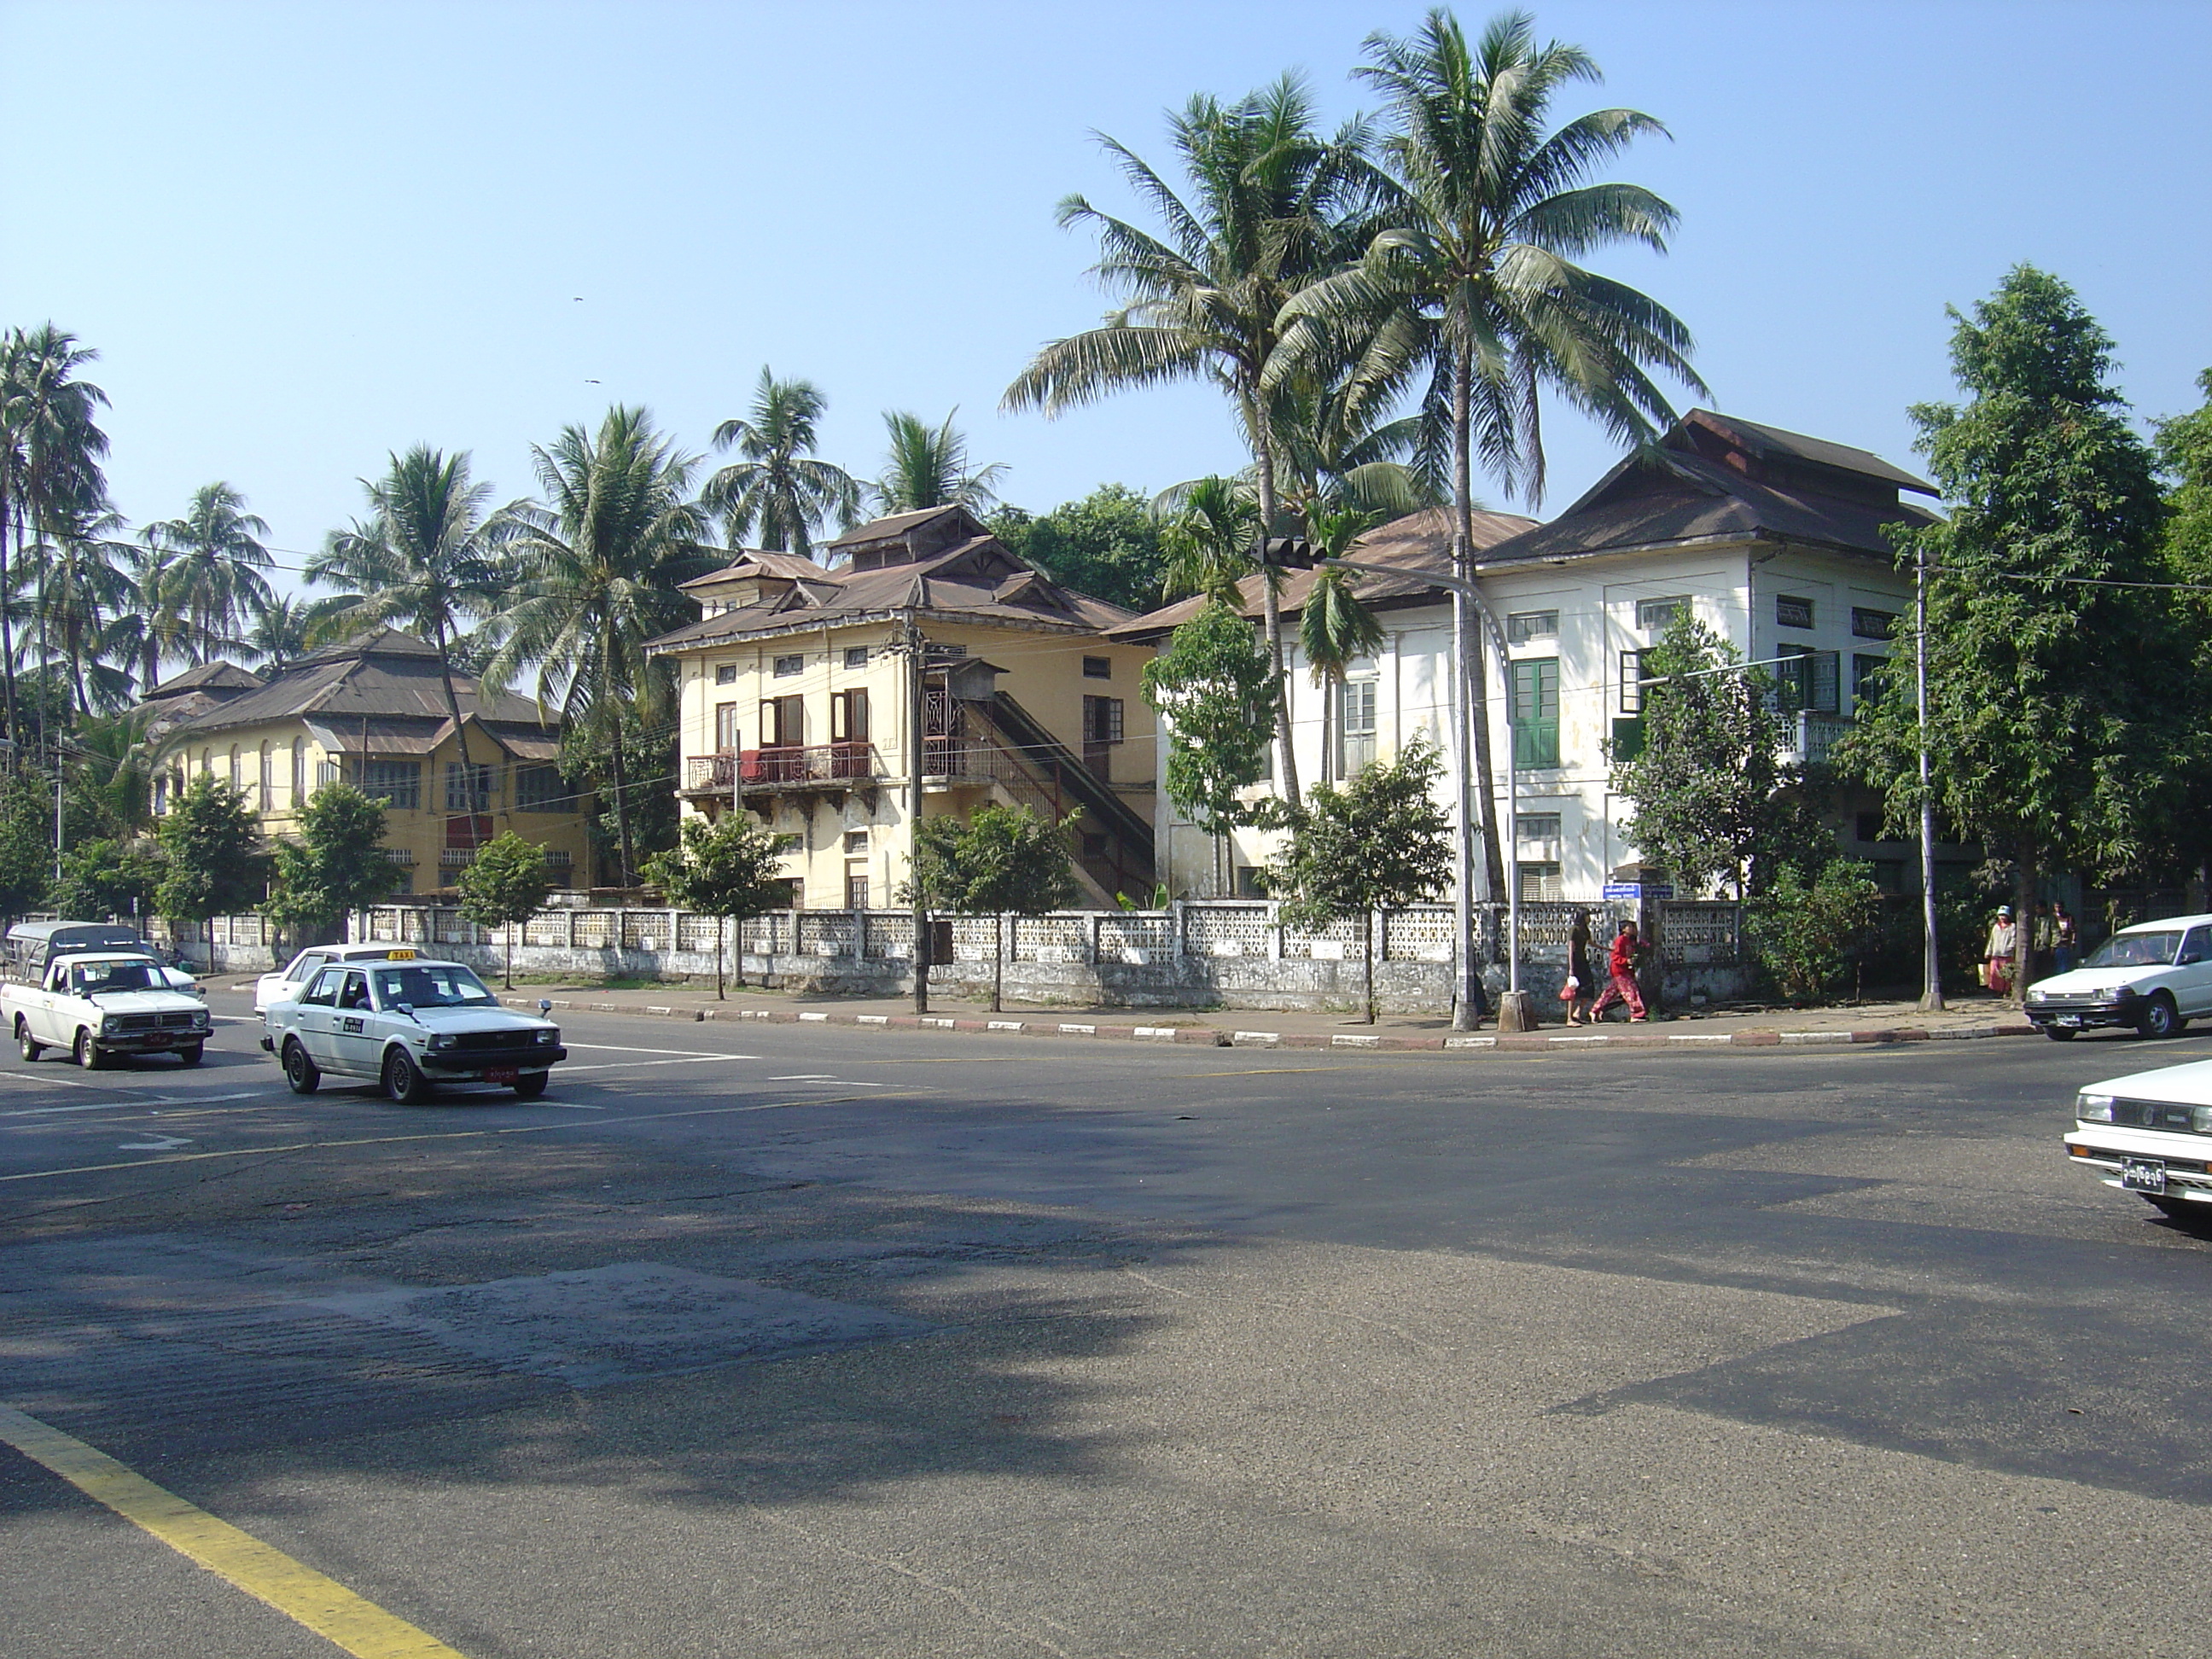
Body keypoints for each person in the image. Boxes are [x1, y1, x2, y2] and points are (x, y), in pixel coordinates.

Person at [1590, 918, 1649, 1022]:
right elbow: (1615, 956)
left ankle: (1595, 1010)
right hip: (1620, 970)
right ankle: (1636, 1014)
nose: (1633, 929)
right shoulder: (1620, 940)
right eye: (1630, 927)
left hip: (1626, 970)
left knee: (1610, 993)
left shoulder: (1631, 941)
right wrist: (1626, 961)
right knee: (1631, 991)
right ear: (1624, 929)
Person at [1563, 910, 1597, 1026]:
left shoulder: (1585, 930)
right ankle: (1569, 1019)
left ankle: (1577, 1013)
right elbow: (1571, 949)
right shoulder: (1574, 930)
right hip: (1575, 962)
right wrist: (1571, 968)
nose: (1589, 918)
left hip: (1583, 961)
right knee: (1573, 990)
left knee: (1588, 988)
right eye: (1587, 915)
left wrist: (1608, 949)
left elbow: (1591, 943)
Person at [1985, 905, 2017, 997]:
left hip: (2007, 955)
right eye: (2000, 915)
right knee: (1994, 973)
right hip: (1996, 954)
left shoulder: (2012, 926)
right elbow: (1992, 940)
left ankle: (2006, 991)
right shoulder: (1996, 927)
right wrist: (1988, 952)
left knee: (2006, 974)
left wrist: (2009, 948)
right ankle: (1996, 991)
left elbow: (2014, 939)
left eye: (2004, 915)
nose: (2002, 917)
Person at [2052, 902, 2077, 975]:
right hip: (2054, 944)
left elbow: (2073, 930)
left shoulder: (2068, 917)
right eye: (2056, 907)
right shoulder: (2052, 917)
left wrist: (2073, 941)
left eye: (2059, 907)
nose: (2058, 909)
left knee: (2064, 965)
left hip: (2065, 944)